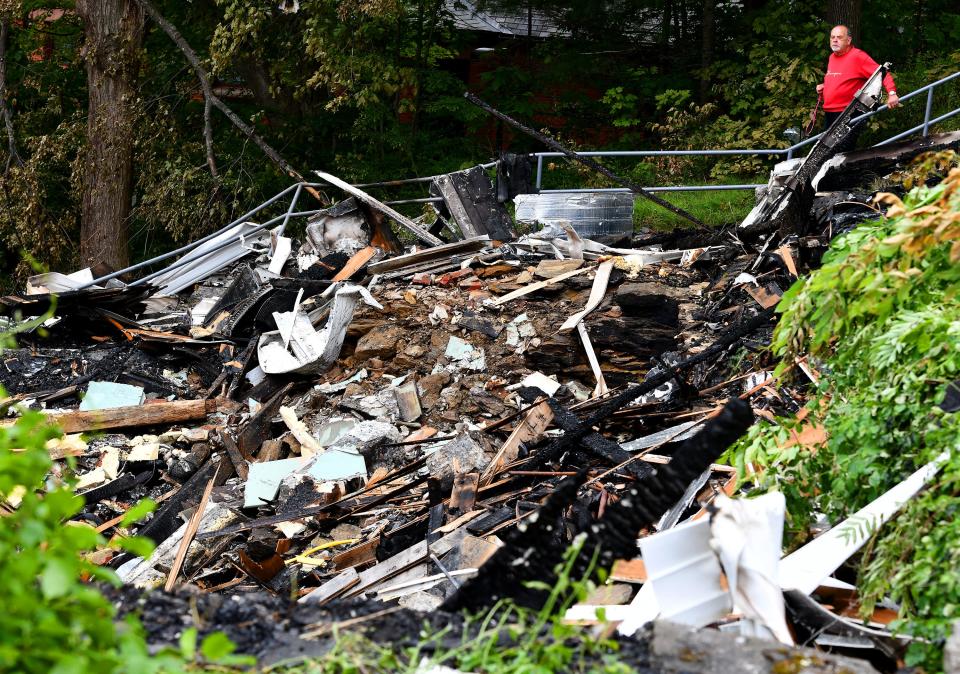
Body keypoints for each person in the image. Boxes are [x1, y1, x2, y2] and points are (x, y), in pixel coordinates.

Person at [815, 25, 899, 146]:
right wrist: (825, 86)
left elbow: (882, 74)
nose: (834, 40)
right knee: (825, 152)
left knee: (840, 152)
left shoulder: (858, 56)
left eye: (839, 37)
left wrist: (892, 93)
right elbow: (842, 77)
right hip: (830, 112)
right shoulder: (832, 57)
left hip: (847, 113)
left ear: (848, 40)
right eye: (832, 37)